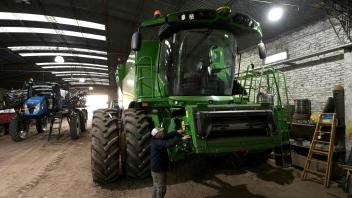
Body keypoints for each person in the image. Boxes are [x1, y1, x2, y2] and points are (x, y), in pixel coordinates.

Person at [150, 128, 191, 198]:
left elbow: (168, 135)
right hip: (159, 170)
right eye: (161, 132)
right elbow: (169, 144)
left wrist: (176, 132)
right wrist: (181, 139)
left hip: (155, 169)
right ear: (157, 135)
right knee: (162, 189)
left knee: (156, 187)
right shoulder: (157, 143)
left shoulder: (158, 139)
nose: (163, 133)